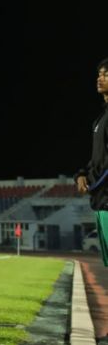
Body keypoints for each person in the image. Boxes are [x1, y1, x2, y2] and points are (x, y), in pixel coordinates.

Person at [77, 58, 108, 267]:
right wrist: (81, 175)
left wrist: (93, 183)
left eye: (106, 74)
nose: (100, 78)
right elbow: (97, 160)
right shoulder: (100, 119)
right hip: (101, 200)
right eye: (99, 74)